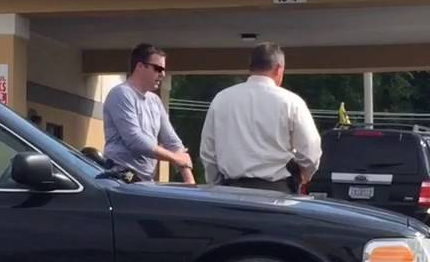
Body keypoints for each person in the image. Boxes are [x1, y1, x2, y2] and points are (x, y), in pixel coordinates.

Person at [200, 42, 322, 193]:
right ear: (278, 68)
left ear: (251, 68)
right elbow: (311, 151)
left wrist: (217, 184)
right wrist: (303, 176)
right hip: (277, 193)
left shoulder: (221, 99)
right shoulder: (291, 102)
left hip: (229, 192)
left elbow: (208, 153)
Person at [102, 43, 195, 184]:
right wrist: (175, 158)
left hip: (145, 181)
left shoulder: (155, 101)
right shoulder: (121, 94)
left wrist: (191, 184)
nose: (162, 74)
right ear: (140, 66)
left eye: (163, 70)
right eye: (158, 69)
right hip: (120, 177)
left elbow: (173, 141)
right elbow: (135, 140)